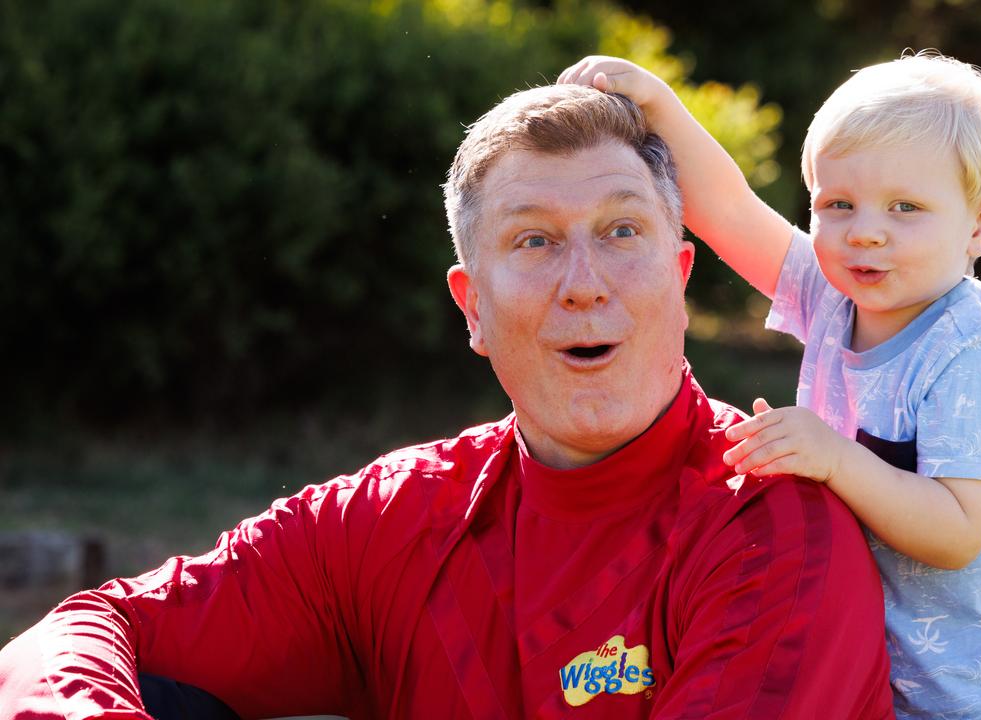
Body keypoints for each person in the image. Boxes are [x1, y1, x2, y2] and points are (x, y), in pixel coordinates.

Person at [0, 84, 894, 719]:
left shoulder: (776, 526)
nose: (585, 284)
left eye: (622, 231)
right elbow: (86, 629)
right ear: (472, 309)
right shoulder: (396, 516)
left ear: (680, 273)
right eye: (533, 241)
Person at [560, 52, 981, 719]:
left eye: (906, 208)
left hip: (972, 698)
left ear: (979, 223)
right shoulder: (832, 294)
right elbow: (729, 211)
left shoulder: (974, 347)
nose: (866, 232)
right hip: (866, 673)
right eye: (838, 204)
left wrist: (832, 458)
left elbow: (957, 531)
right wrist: (659, 106)